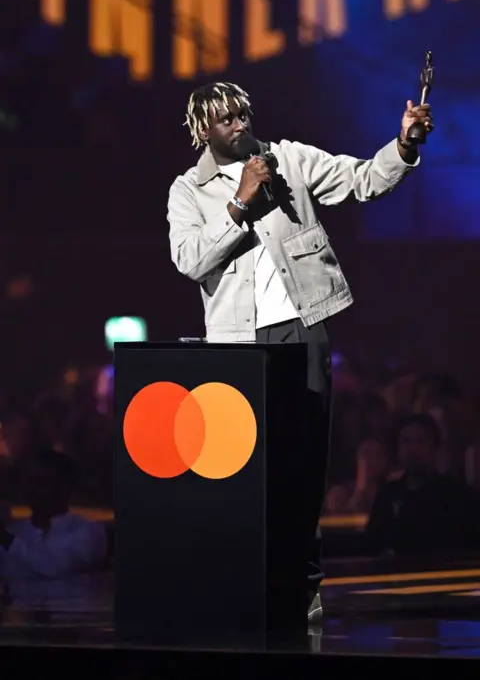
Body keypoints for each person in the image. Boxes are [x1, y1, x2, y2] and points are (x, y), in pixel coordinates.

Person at [167, 81, 433, 623]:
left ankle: (301, 586)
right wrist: (241, 201)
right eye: (226, 121)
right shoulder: (187, 191)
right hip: (236, 342)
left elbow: (360, 180)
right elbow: (190, 260)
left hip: (300, 328)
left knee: (304, 462)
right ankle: (240, 579)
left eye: (243, 115)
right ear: (203, 131)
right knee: (239, 466)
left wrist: (403, 147)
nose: (239, 126)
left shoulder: (287, 158)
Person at [364, 413, 479, 555]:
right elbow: (371, 545)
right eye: (406, 441)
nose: (413, 449)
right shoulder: (388, 494)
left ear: (436, 448)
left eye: (421, 441)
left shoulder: (459, 496)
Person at [0, 450, 106, 578]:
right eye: (30, 481)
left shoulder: (89, 531)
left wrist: (5, 537)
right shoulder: (13, 532)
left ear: (65, 488)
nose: (33, 489)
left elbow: (55, 566)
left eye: (41, 481)